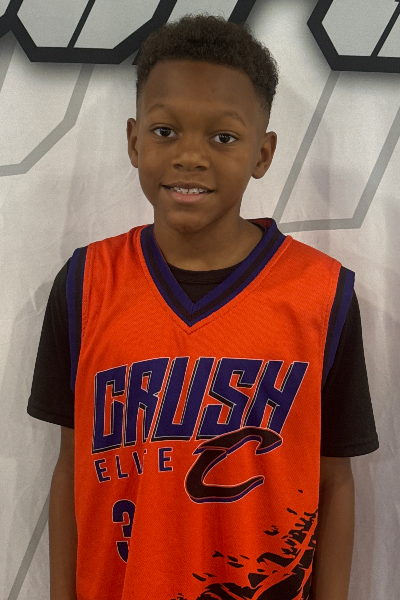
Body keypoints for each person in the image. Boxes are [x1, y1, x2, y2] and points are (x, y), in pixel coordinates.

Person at [27, 14, 379, 600]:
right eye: (166, 131)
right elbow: (71, 467)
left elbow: (335, 479)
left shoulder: (322, 294)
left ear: (263, 153)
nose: (190, 156)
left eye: (223, 138)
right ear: (134, 140)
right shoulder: (85, 283)